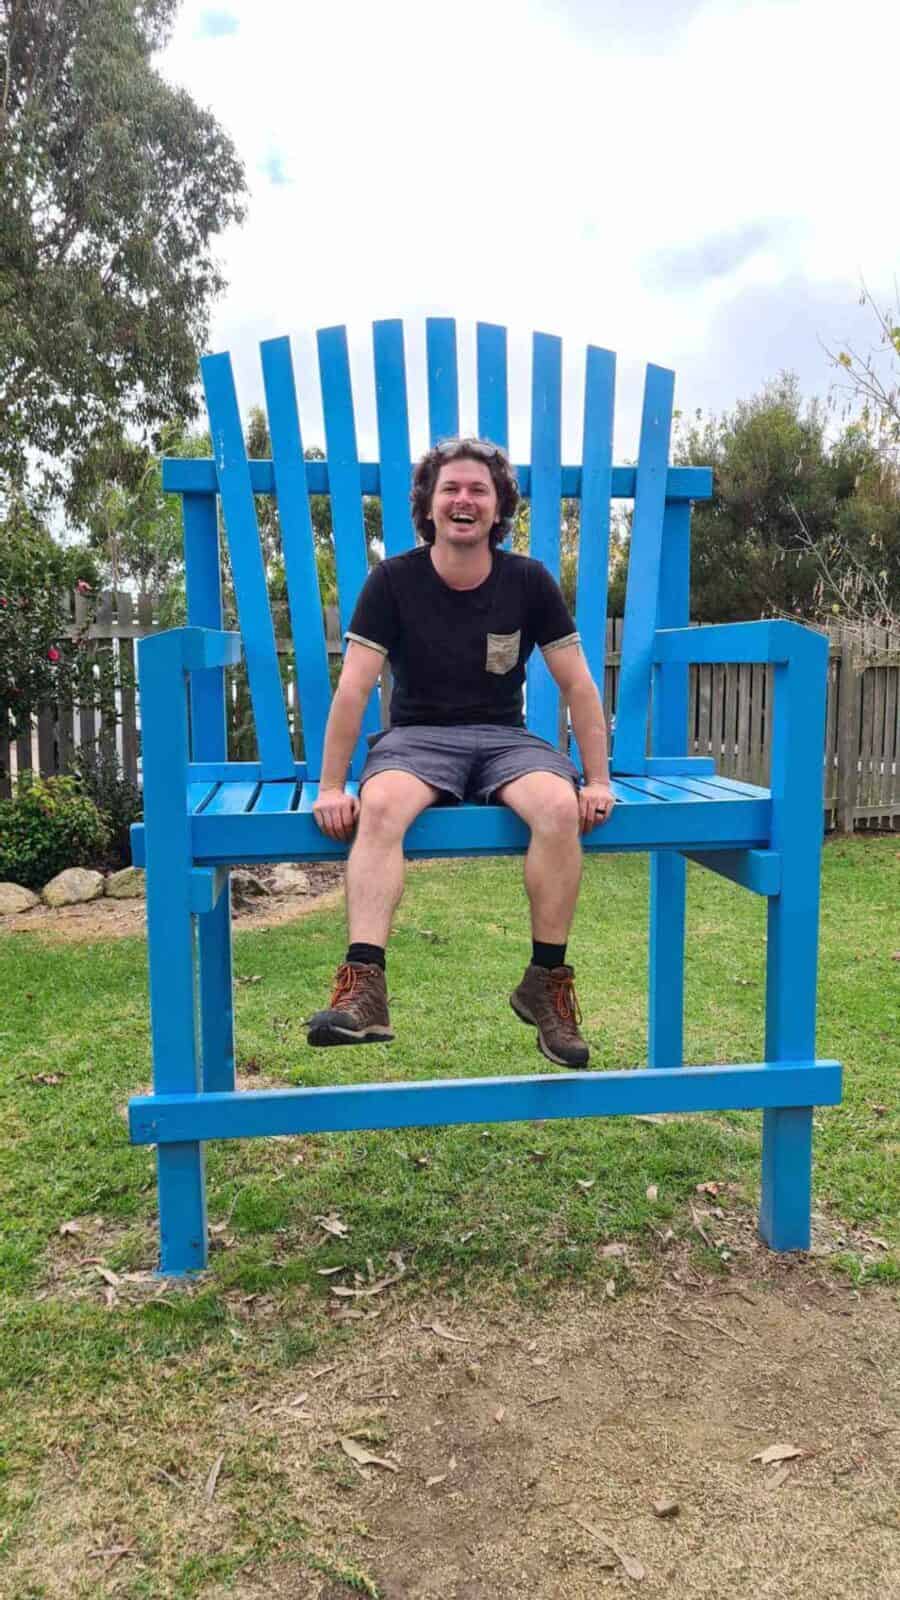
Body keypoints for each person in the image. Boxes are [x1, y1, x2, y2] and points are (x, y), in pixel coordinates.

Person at [306, 437, 615, 1068]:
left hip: (505, 739)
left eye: (479, 489)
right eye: (451, 489)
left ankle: (545, 983)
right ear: (428, 504)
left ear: (499, 507)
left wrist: (599, 779)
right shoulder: (393, 581)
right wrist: (332, 785)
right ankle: (365, 987)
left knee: (559, 808)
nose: (464, 500)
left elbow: (578, 684)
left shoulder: (528, 581)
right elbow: (356, 687)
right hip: (417, 737)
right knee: (382, 804)